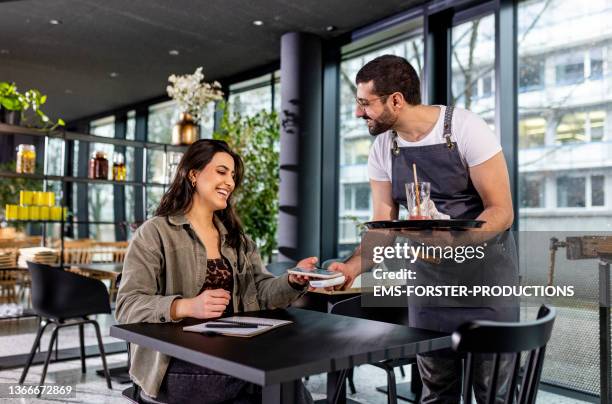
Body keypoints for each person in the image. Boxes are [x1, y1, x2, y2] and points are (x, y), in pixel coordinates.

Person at [329, 55, 518, 403]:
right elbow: (383, 225)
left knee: (496, 395)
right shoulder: (384, 147)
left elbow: (502, 211)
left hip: (486, 283)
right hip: (430, 289)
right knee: (436, 393)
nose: (359, 113)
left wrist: (455, 244)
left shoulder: (464, 128)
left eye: (365, 103)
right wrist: (352, 267)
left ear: (396, 100)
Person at [116, 139, 315, 404]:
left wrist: (292, 281)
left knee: (283, 380)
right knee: (278, 381)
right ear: (194, 174)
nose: (230, 182)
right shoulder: (155, 233)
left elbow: (262, 292)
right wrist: (185, 307)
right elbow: (127, 305)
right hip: (174, 365)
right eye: (221, 172)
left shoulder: (237, 240)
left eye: (232, 175)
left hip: (234, 355)